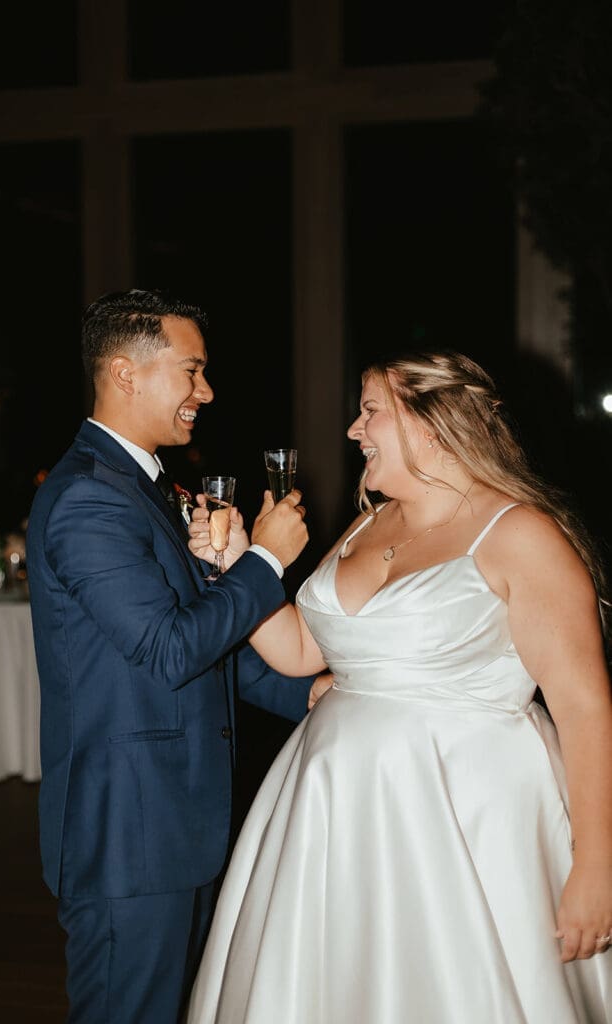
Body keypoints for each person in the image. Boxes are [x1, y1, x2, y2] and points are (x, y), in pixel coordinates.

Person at [185, 349, 612, 1023]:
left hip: (464, 812)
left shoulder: (519, 533)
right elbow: (299, 650)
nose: (354, 431)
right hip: (330, 804)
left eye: (370, 411)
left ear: (432, 424)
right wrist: (236, 563)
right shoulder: (367, 523)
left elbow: (584, 706)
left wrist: (596, 868)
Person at [25, 287, 331, 1024]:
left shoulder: (150, 489)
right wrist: (264, 560)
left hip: (177, 821)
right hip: (126, 834)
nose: (207, 391)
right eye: (191, 372)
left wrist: (311, 693)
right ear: (126, 373)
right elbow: (167, 650)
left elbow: (209, 646)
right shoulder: (85, 499)